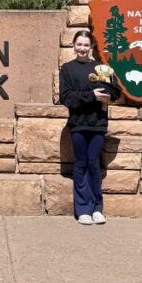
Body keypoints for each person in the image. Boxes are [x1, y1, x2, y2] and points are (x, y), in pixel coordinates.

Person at [59, 30, 121, 225]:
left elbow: (115, 92)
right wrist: (91, 96)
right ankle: (83, 209)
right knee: (80, 163)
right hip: (78, 124)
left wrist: (103, 92)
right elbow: (67, 98)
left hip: (98, 124)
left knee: (94, 164)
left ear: (92, 48)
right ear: (73, 46)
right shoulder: (67, 69)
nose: (82, 48)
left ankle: (96, 208)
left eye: (86, 45)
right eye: (79, 44)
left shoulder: (101, 68)